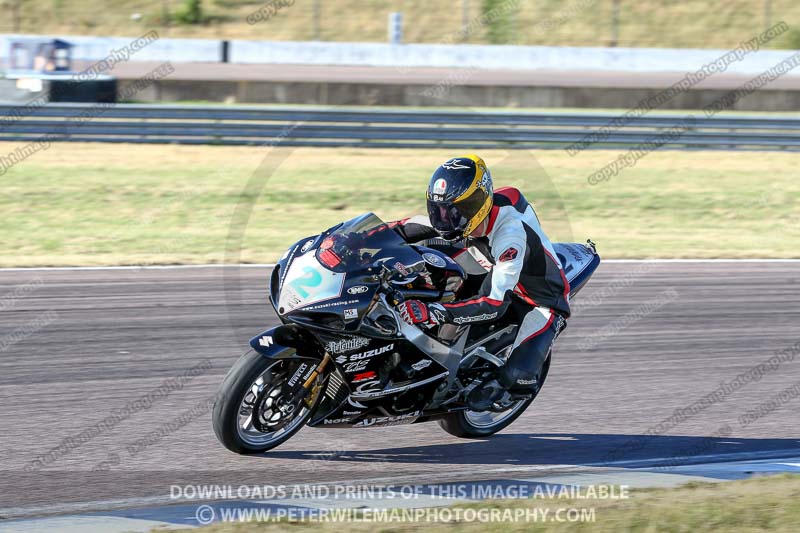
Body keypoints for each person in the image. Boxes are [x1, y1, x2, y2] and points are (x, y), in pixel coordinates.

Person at [391, 155, 570, 410]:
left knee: (516, 378)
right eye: (440, 209)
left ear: (479, 204)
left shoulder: (510, 236)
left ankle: (504, 384)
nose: (446, 218)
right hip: (487, 263)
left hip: (536, 298)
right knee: (421, 265)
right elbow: (408, 226)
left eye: (455, 211)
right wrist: (353, 237)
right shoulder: (463, 214)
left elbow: (494, 303)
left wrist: (434, 312)